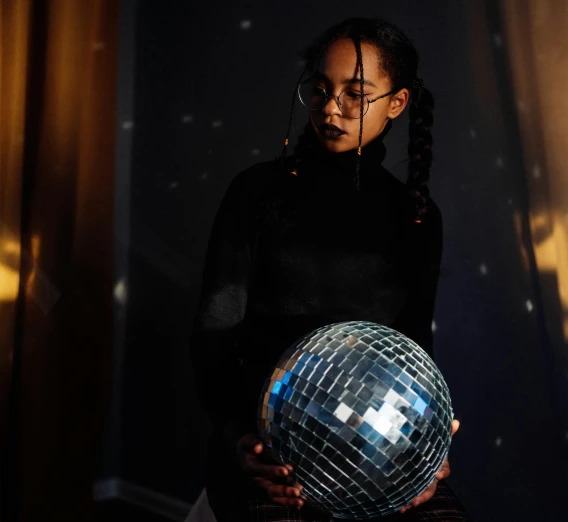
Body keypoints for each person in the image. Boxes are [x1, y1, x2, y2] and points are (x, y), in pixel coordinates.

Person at [190, 17, 470, 521]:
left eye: (355, 93)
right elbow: (213, 339)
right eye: (321, 89)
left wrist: (425, 450)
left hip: (376, 455)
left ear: (398, 103)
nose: (330, 108)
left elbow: (412, 347)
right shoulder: (255, 193)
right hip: (271, 450)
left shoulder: (417, 216)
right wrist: (237, 440)